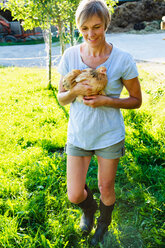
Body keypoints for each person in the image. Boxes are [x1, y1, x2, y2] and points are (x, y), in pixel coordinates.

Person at [57, 0, 142, 245]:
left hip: (108, 135)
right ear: (78, 27)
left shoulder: (122, 59)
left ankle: (103, 224)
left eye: (96, 27)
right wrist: (75, 93)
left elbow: (136, 100)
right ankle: (89, 209)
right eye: (84, 28)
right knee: (74, 194)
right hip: (79, 135)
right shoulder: (71, 55)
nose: (90, 34)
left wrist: (106, 100)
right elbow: (62, 97)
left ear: (106, 24)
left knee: (106, 188)